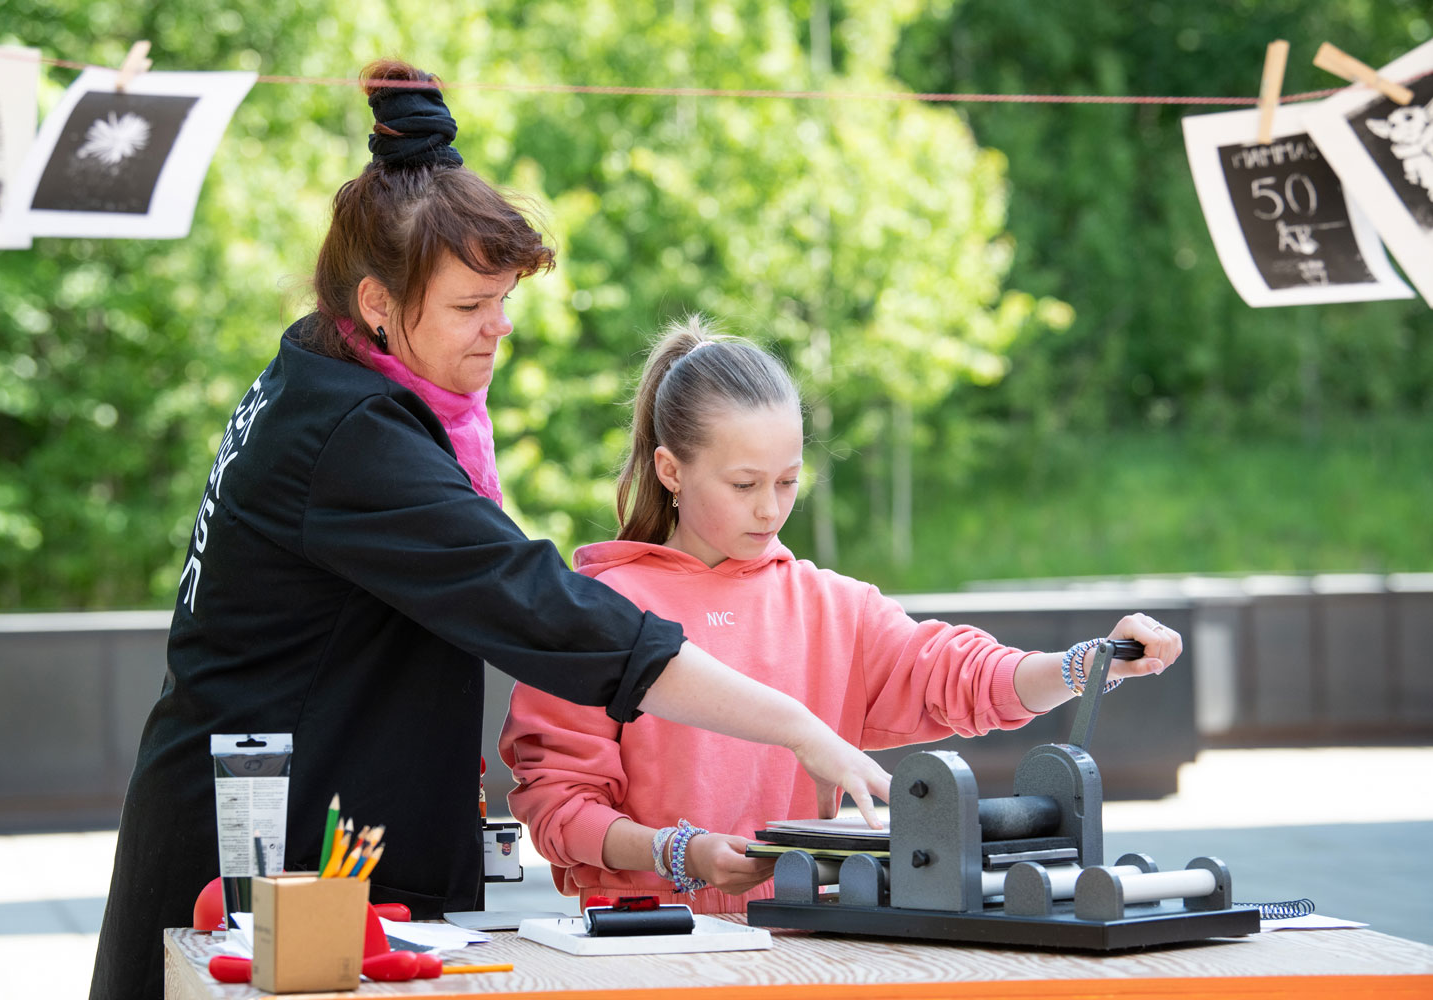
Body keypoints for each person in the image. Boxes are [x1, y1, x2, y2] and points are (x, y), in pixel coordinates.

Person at [88, 64, 890, 1000]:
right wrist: (797, 727)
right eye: (470, 307)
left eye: (504, 300)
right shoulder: (352, 437)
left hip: (277, 832)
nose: (498, 330)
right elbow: (539, 605)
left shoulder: (316, 375)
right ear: (376, 304)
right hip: (265, 856)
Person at [499, 315, 1184, 914]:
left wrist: (1083, 666)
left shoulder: (832, 605)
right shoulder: (595, 610)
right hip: (645, 951)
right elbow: (556, 807)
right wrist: (680, 852)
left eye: (789, 480)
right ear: (671, 470)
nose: (771, 508)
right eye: (744, 485)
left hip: (805, 943)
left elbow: (959, 675)